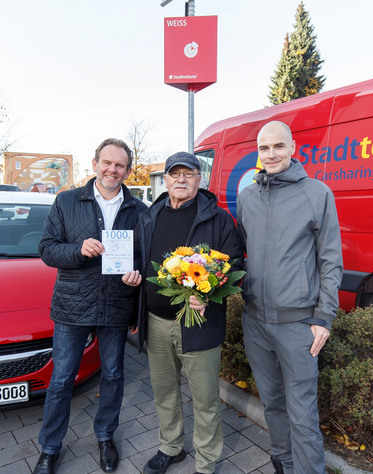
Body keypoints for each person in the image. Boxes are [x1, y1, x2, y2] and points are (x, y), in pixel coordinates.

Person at [33, 138, 147, 474]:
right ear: (95, 163)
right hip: (72, 304)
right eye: (107, 163)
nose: (113, 170)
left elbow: (144, 256)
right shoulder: (67, 201)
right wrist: (77, 250)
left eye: (120, 165)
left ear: (127, 170)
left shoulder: (138, 210)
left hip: (116, 303)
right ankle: (50, 448)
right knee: (62, 378)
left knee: (113, 375)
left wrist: (137, 275)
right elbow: (46, 249)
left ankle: (105, 436)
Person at [237, 121, 343, 474]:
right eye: (264, 148)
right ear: (258, 151)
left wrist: (323, 318)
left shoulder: (317, 193)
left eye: (278, 146)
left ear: (293, 147)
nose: (271, 154)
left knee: (302, 413)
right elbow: (242, 253)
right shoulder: (248, 196)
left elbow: (330, 260)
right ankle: (281, 463)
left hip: (298, 326)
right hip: (254, 322)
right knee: (272, 405)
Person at [135, 152, 244, 474]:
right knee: (164, 391)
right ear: (165, 179)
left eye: (189, 174)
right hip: (156, 323)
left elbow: (234, 264)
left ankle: (207, 462)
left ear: (200, 179)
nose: (181, 180)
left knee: (205, 399)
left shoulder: (218, 219)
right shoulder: (149, 216)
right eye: (175, 174)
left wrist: (209, 295)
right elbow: (139, 259)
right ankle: (171, 447)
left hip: (199, 324)